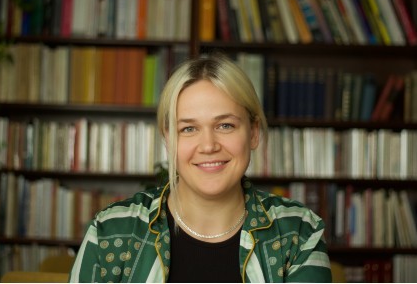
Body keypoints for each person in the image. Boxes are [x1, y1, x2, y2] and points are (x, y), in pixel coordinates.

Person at [69, 53, 332, 283]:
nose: (208, 145)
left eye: (225, 125)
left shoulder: (298, 231)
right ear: (168, 139)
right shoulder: (112, 230)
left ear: (253, 133)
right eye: (189, 128)